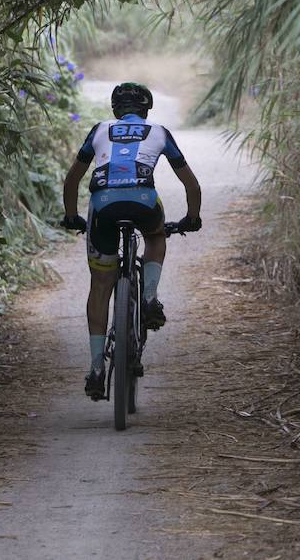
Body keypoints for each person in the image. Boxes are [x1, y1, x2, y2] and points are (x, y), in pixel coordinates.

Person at [60, 82, 202, 399]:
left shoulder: (99, 130)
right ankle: (149, 297)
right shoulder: (160, 132)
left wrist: (71, 216)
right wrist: (192, 218)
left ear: (115, 111)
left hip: (103, 208)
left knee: (100, 284)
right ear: (146, 110)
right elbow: (191, 185)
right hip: (143, 202)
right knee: (155, 232)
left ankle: (97, 369)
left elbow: (72, 179)